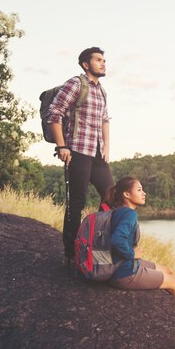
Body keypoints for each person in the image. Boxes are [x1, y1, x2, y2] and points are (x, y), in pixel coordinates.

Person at [47, 47, 114, 265]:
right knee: (76, 202)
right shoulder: (75, 84)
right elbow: (54, 113)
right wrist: (62, 146)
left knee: (111, 196)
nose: (103, 63)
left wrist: (106, 147)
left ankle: (96, 240)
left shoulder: (102, 91)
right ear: (86, 64)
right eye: (98, 60)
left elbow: (105, 119)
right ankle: (71, 253)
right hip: (76, 150)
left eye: (104, 60)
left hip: (96, 153)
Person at [103, 176, 175, 306]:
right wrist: (132, 254)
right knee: (173, 283)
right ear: (127, 194)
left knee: (168, 271)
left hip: (118, 267)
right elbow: (117, 239)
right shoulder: (129, 214)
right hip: (124, 274)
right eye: (139, 190)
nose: (144, 193)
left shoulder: (116, 211)